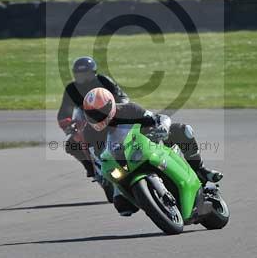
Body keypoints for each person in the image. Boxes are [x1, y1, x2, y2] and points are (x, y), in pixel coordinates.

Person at [82, 87, 222, 216]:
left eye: (100, 113)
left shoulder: (129, 109)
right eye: (92, 114)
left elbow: (156, 119)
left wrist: (161, 127)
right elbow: (97, 156)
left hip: (147, 146)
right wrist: (101, 173)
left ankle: (200, 170)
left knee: (182, 130)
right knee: (123, 207)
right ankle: (153, 203)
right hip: (121, 164)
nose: (97, 118)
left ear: (110, 106)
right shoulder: (89, 132)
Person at [57, 56, 129, 177]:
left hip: (109, 116)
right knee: (71, 145)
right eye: (79, 75)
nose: (83, 79)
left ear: (94, 73)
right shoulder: (71, 89)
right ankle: (90, 167)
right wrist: (66, 123)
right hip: (86, 120)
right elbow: (64, 111)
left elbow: (122, 98)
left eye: (86, 75)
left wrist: (117, 108)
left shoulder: (104, 81)